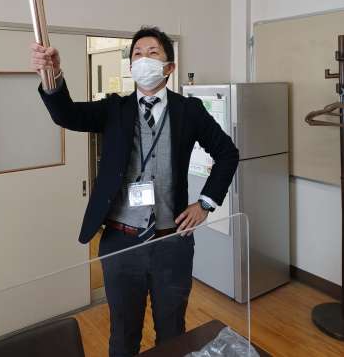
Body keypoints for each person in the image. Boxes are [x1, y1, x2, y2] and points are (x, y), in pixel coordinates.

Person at [31, 26, 239, 357]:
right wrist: (52, 75)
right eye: (137, 54)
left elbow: (228, 153)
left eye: (152, 53)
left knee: (172, 332)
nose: (143, 59)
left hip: (171, 242)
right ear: (131, 67)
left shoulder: (189, 111)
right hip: (120, 242)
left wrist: (205, 204)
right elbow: (65, 114)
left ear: (169, 67)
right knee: (123, 334)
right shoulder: (114, 109)